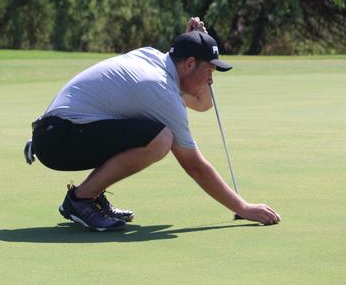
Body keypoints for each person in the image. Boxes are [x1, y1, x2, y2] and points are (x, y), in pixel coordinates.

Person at [24, 17, 280, 231]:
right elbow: (194, 166)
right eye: (209, 72)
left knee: (153, 133)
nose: (211, 81)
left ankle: (92, 195)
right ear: (190, 63)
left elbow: (202, 104)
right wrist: (243, 208)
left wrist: (195, 41)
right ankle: (81, 200)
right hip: (59, 139)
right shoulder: (159, 88)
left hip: (58, 132)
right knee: (161, 139)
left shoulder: (155, 60)